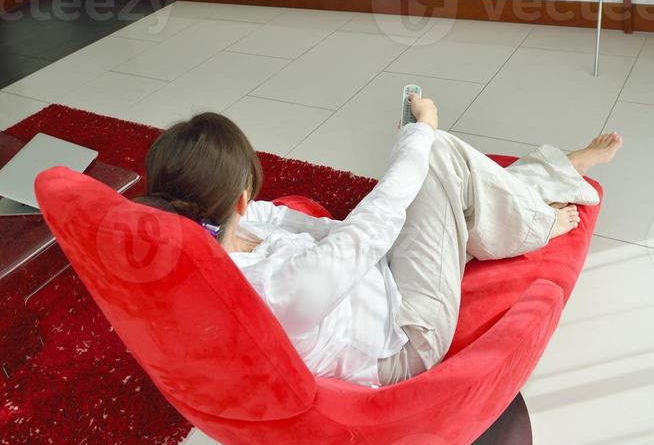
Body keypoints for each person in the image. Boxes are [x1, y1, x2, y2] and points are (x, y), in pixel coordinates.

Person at [136, 103, 622, 389]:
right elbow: (372, 225)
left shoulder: (203, 242)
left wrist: (366, 240)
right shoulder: (278, 287)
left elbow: (323, 229)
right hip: (407, 336)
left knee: (440, 190)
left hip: (372, 281)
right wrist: (419, 131)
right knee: (436, 153)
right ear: (240, 198)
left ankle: (543, 182)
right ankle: (539, 217)